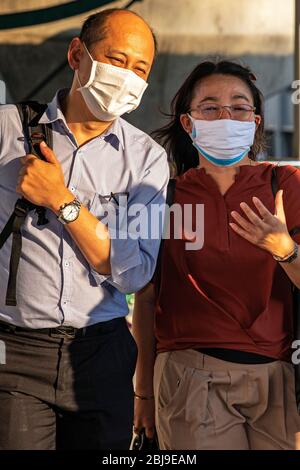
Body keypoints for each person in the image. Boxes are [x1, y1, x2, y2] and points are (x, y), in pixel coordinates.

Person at [0, 8, 169, 450]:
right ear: (77, 54)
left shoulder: (147, 161)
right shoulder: (7, 131)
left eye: (140, 69)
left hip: (103, 353)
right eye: (116, 60)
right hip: (13, 353)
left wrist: (61, 199)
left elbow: (134, 274)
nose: (126, 77)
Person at [132, 60, 300, 450]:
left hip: (280, 378)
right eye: (210, 107)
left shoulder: (286, 186)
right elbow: (145, 298)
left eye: (239, 108)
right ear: (188, 123)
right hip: (190, 377)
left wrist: (285, 250)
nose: (226, 116)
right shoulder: (162, 196)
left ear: (256, 122)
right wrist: (142, 393)